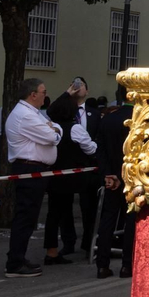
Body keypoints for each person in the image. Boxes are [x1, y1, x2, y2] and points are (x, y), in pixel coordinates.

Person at [4, 77, 63, 278]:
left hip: (36, 170)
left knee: (28, 217)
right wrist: (54, 131)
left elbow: (55, 128)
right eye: (43, 91)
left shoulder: (33, 113)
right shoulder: (25, 115)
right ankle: (15, 262)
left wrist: (54, 130)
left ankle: (18, 258)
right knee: (25, 217)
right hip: (29, 170)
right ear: (33, 94)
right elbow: (51, 136)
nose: (45, 95)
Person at [45, 85, 99, 260]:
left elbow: (52, 109)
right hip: (75, 175)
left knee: (55, 214)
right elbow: (91, 149)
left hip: (55, 174)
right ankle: (86, 244)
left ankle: (52, 250)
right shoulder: (74, 128)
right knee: (85, 209)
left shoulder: (50, 127)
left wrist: (65, 93)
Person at [93, 91, 135, 279]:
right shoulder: (140, 117)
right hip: (133, 176)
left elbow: (99, 149)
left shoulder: (108, 119)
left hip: (112, 177)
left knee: (108, 219)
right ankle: (127, 265)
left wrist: (108, 173)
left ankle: (102, 264)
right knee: (131, 221)